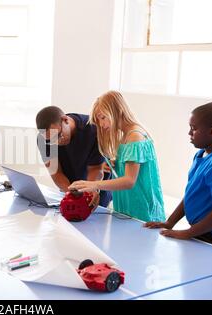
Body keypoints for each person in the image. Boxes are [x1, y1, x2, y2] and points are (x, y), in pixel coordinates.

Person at [69, 91, 165, 222]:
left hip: (141, 212)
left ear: (116, 111)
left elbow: (129, 180)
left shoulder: (134, 136)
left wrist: (93, 184)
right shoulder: (126, 135)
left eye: (103, 118)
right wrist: (117, 164)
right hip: (127, 209)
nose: (102, 125)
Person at [145, 102, 212, 249]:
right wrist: (170, 222)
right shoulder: (201, 154)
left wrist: (187, 233)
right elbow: (192, 193)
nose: (189, 133)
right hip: (200, 232)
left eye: (193, 129)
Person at [35, 106, 112, 211]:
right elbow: (56, 173)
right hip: (70, 186)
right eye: (51, 140)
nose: (57, 142)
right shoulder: (44, 140)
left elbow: (95, 169)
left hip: (96, 186)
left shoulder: (93, 129)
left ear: (65, 120)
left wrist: (90, 191)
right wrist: (72, 193)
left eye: (58, 135)